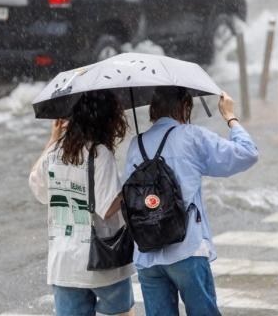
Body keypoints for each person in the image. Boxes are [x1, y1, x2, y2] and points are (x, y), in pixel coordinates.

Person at [123, 86, 259, 316]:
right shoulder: (192, 136)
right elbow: (247, 154)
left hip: (147, 254)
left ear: (154, 109)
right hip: (187, 248)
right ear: (185, 106)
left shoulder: (136, 144)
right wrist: (230, 117)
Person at [29, 91, 136, 316]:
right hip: (101, 259)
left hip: (63, 261)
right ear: (106, 120)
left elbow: (37, 187)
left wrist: (51, 140)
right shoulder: (99, 153)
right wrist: (132, 188)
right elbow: (107, 208)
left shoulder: (55, 150)